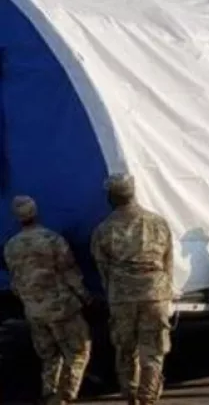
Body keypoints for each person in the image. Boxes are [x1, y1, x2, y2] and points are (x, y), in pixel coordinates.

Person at [91, 173, 174, 405]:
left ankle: (130, 397)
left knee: (125, 349)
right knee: (154, 350)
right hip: (154, 294)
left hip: (122, 297)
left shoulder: (103, 230)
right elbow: (168, 261)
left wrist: (116, 289)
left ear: (111, 196)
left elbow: (102, 268)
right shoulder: (158, 222)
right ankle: (148, 398)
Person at [3, 196, 92, 405]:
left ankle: (50, 392)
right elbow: (69, 272)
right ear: (35, 212)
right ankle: (66, 395)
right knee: (78, 351)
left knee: (49, 355)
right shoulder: (52, 239)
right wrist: (85, 297)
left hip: (34, 310)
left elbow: (15, 281)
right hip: (61, 307)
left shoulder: (11, 246)